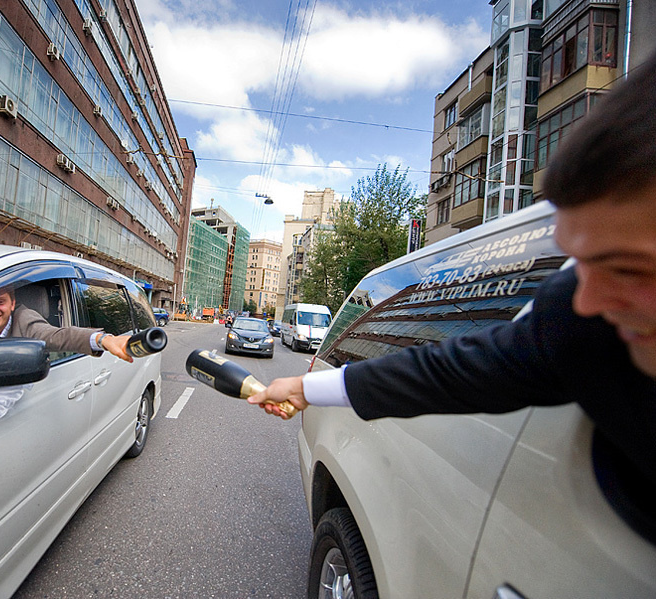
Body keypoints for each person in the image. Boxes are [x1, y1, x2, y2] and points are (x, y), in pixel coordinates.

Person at [248, 50, 656, 489]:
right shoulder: (574, 322)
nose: (588, 299)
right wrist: (304, 389)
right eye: (581, 262)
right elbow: (445, 370)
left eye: (629, 270)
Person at [0, 285, 133, 362]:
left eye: (0, 302)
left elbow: (61, 336)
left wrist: (103, 340)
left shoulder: (25, 321)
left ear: (12, 305)